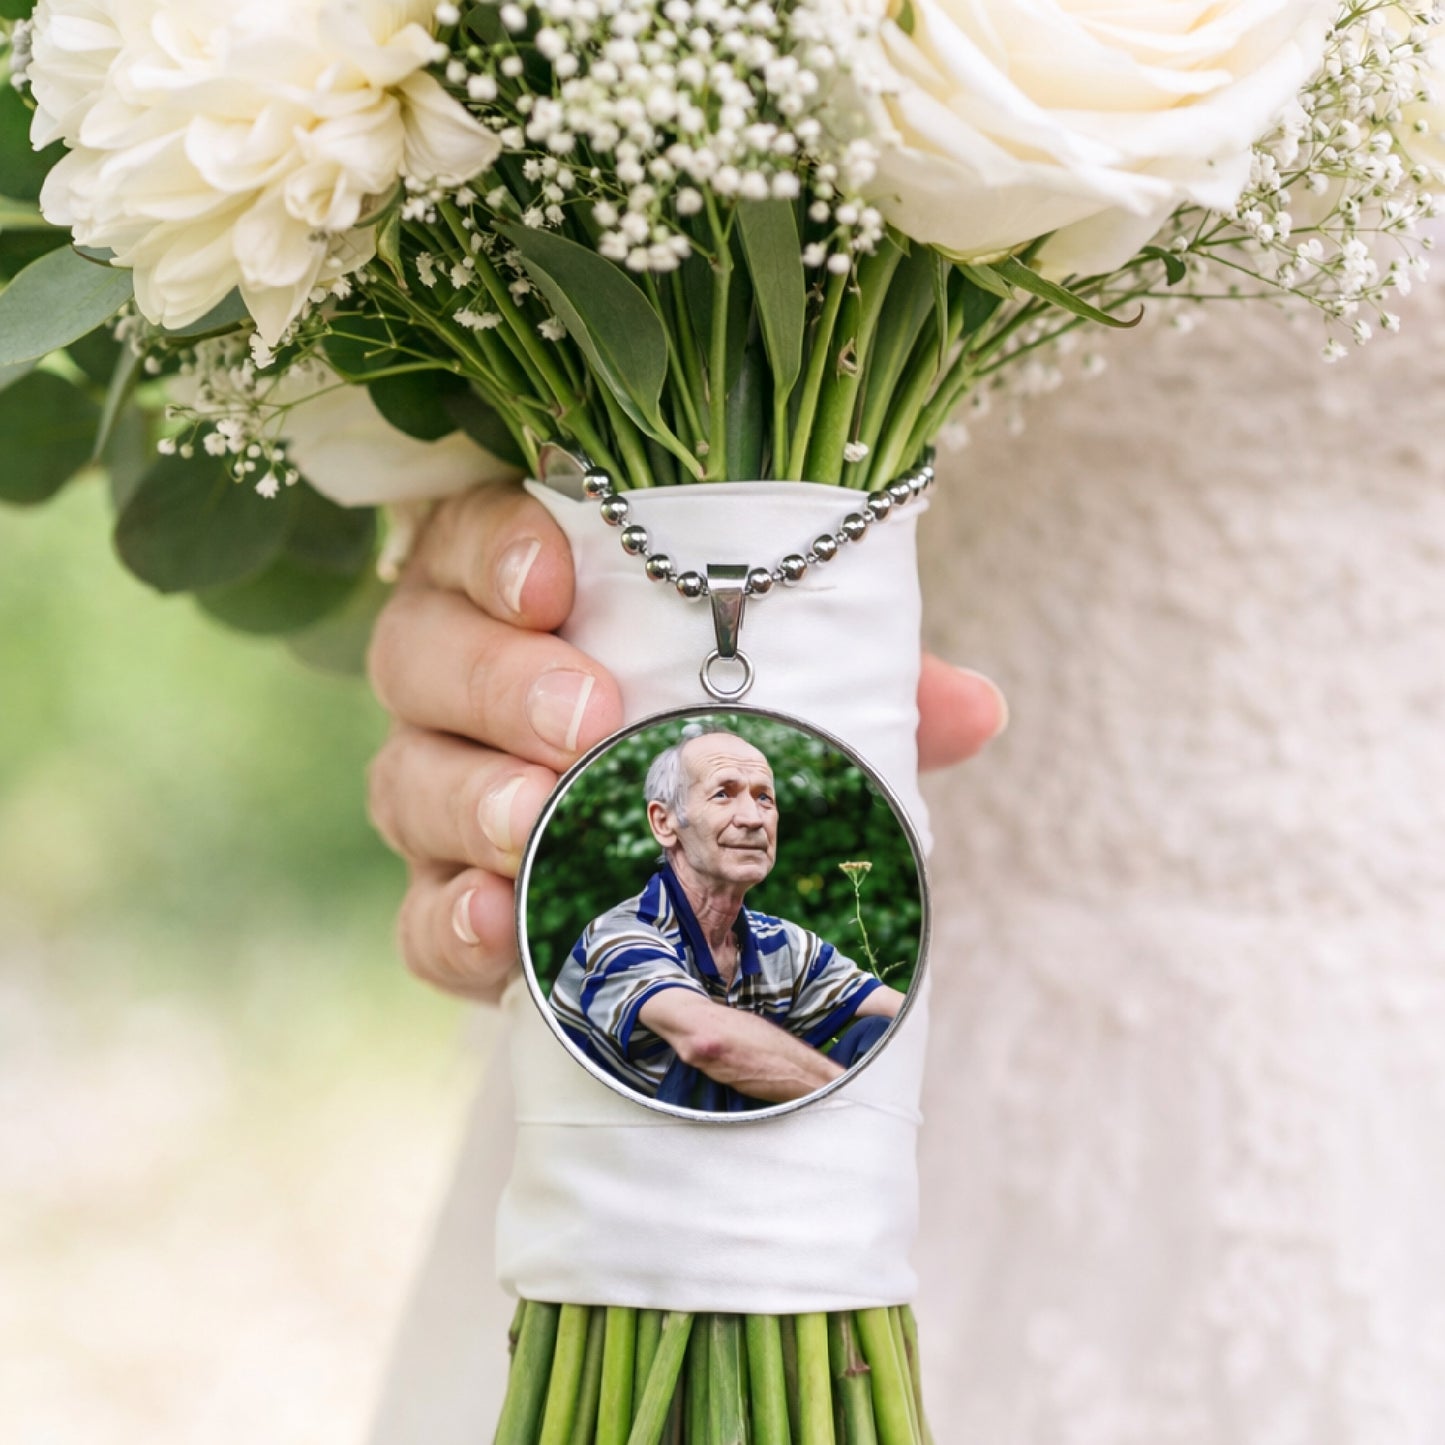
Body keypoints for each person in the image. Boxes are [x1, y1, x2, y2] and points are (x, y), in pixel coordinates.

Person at [548, 727, 905, 1111]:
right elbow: (709, 1041)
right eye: (723, 794)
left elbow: (908, 1017)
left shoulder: (783, 945)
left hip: (750, 1153)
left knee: (882, 1036)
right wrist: (856, 1104)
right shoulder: (620, 936)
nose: (752, 818)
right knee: (713, 1057)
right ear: (664, 822)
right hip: (620, 1157)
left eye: (764, 798)